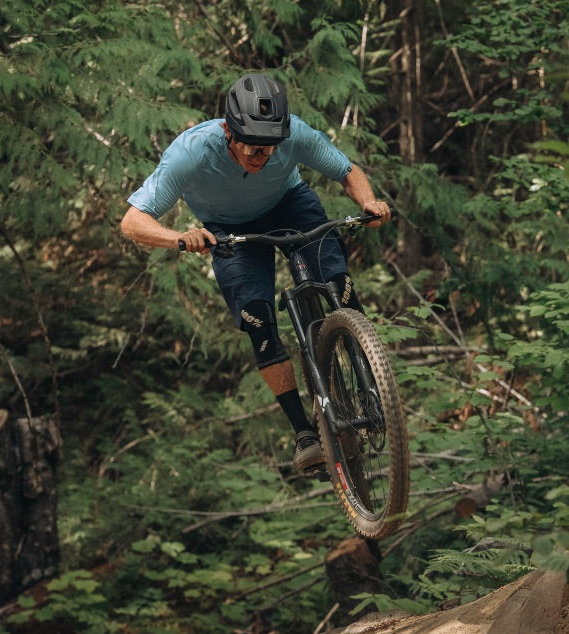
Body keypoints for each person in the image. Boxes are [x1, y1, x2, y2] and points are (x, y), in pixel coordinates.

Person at [120, 73, 392, 474]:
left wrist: (368, 202)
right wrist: (180, 238)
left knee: (337, 279)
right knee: (257, 318)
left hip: (290, 205)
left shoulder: (295, 133)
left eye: (269, 146)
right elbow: (132, 222)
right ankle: (304, 434)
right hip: (228, 228)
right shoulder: (190, 152)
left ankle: (370, 380)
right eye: (250, 144)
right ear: (228, 131)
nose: (259, 155)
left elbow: (346, 171)